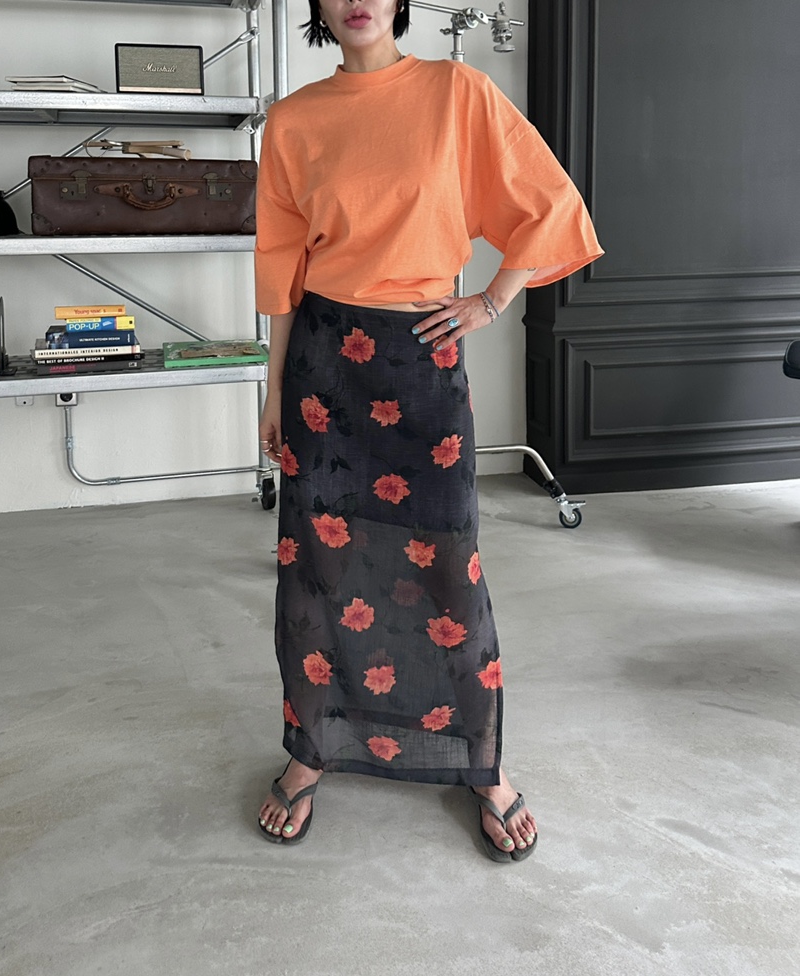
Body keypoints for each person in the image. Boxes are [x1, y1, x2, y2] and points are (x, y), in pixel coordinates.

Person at [255, 0, 602, 862]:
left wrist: (493, 298)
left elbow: (548, 201)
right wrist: (273, 389)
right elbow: (282, 268)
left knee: (449, 564)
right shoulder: (293, 120)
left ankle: (480, 762)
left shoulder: (457, 92)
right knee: (317, 567)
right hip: (323, 366)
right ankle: (311, 749)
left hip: (421, 358)